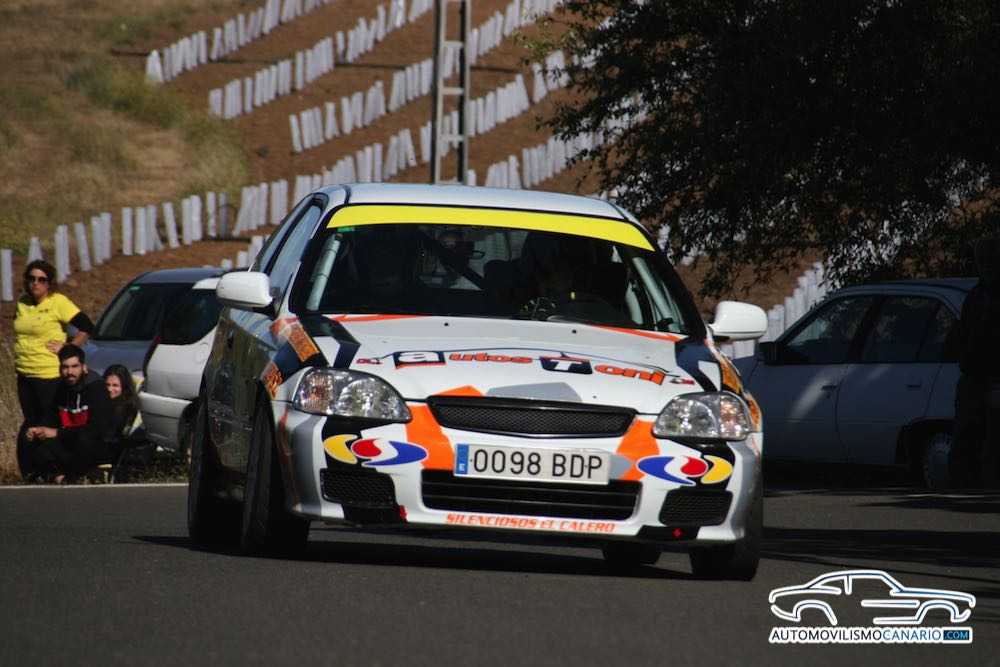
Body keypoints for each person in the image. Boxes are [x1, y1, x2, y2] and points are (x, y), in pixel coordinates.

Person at [13, 260, 94, 479]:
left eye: (41, 280)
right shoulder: (22, 303)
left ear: (49, 283)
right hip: (25, 373)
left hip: (48, 374)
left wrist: (68, 348)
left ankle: (51, 468)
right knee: (30, 421)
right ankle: (31, 472)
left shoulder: (58, 302)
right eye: (31, 279)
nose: (36, 283)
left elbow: (86, 326)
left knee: (47, 421)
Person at [22, 345, 114, 483]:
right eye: (65, 367)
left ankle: (81, 475)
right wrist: (38, 430)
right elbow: (51, 418)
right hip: (69, 442)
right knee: (36, 441)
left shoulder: (97, 388)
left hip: (93, 445)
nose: (69, 372)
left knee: (84, 440)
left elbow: (97, 429)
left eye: (74, 366)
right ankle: (59, 477)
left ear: (83, 367)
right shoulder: (61, 388)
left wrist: (57, 433)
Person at [950, 238, 1000, 487]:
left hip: (985, 374)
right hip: (976, 374)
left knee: (986, 439)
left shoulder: (980, 296)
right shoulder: (977, 295)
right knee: (972, 437)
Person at [102, 364, 141, 464]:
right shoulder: (102, 401)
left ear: (124, 387)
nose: (110, 389)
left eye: (115, 385)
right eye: (107, 385)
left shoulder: (127, 407)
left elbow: (113, 435)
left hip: (112, 450)